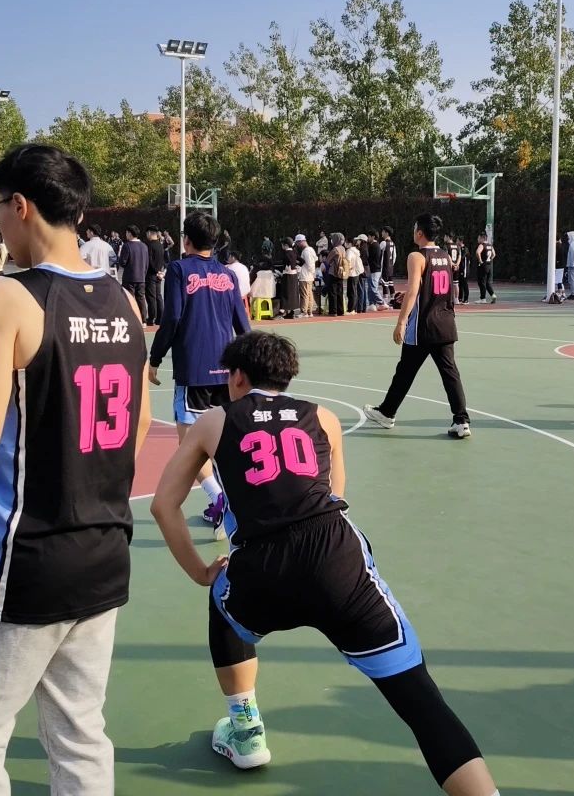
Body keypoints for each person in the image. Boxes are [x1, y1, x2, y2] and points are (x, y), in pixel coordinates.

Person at [149, 332, 500, 795]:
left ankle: (245, 730)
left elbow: (163, 506)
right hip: (337, 562)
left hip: (263, 569)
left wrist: (200, 572)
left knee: (223, 602)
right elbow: (336, 495)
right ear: (286, 376)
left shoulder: (215, 420)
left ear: (237, 378)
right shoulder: (324, 418)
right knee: (421, 702)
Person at [0, 142, 151, 795]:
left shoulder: (7, 298)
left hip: (21, 559)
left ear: (20, 205)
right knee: (80, 732)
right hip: (104, 550)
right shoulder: (125, 304)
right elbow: (139, 425)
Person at [149, 212, 250, 537]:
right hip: (226, 373)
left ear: (186, 240)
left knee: (190, 446)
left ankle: (219, 498)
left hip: (194, 370)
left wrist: (154, 357)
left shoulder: (179, 270)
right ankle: (232, 503)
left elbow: (172, 318)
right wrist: (249, 364)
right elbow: (242, 323)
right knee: (223, 443)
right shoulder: (227, 274)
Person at [365, 213, 471, 439]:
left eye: (415, 229)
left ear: (420, 232)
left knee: (405, 371)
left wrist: (401, 322)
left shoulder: (416, 256)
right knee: (450, 373)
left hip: (423, 325)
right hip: (445, 322)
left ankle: (387, 413)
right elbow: (436, 289)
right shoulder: (444, 255)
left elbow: (414, 290)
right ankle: (461, 420)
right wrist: (410, 296)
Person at [117, 225, 150, 324]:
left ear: (130, 233)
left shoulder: (127, 246)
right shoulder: (144, 246)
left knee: (129, 299)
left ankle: (130, 319)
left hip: (129, 277)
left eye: (126, 233)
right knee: (141, 299)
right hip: (141, 277)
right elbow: (147, 263)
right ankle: (143, 320)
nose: (126, 234)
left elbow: (122, 262)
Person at [145, 225, 168, 326]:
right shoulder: (160, 245)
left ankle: (151, 318)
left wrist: (155, 271)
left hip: (151, 274)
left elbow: (149, 261)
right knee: (158, 296)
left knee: (151, 297)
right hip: (159, 274)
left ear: (149, 233)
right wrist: (160, 272)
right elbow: (163, 260)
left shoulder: (149, 245)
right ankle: (160, 318)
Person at [325, 232, 348, 317]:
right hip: (341, 272)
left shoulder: (335, 249)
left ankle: (333, 311)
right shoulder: (343, 248)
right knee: (340, 292)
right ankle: (340, 311)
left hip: (334, 272)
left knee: (332, 292)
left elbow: (327, 260)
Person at [296, 234, 317, 318]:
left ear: (302, 241)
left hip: (305, 276)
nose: (297, 244)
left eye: (298, 242)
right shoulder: (311, 249)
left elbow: (309, 264)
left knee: (304, 294)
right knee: (309, 294)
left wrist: (311, 272)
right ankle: (309, 312)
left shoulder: (306, 251)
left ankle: (304, 312)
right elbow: (315, 259)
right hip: (309, 276)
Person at [365, 230, 386, 311]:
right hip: (373, 269)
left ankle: (382, 302)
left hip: (374, 270)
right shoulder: (373, 245)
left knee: (373, 288)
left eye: (369, 236)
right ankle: (372, 303)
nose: (368, 238)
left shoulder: (374, 246)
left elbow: (369, 258)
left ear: (373, 237)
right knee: (370, 288)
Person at [378, 226, 397, 304]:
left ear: (386, 233)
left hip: (384, 267)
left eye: (383, 231)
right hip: (390, 267)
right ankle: (393, 299)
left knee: (384, 284)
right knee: (390, 283)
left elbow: (378, 254)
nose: (382, 233)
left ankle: (385, 301)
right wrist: (391, 264)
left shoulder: (383, 243)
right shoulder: (393, 243)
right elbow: (394, 256)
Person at [475, 234, 495, 303]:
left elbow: (478, 252)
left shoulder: (482, 245)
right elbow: (494, 254)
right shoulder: (490, 245)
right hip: (489, 266)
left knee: (481, 282)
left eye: (478, 238)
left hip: (483, 266)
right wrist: (489, 260)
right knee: (487, 282)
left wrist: (480, 261)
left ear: (482, 238)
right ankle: (493, 295)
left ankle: (483, 298)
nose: (478, 239)